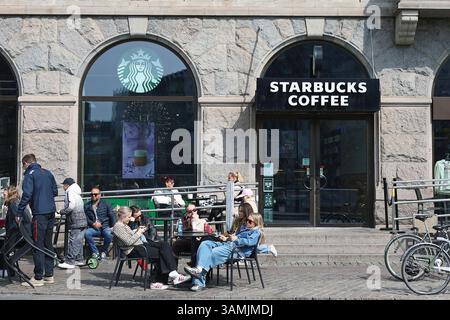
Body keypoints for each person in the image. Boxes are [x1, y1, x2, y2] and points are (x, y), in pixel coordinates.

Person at [112, 206, 191, 290]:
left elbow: (130, 237)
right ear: (123, 216)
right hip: (133, 250)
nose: (130, 219)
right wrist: (138, 232)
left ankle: (172, 275)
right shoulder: (118, 227)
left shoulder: (124, 225)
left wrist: (137, 230)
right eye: (128, 217)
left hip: (140, 245)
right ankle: (158, 280)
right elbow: (129, 242)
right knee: (162, 253)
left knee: (165, 245)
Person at [184, 212, 263, 291]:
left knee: (211, 253)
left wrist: (237, 239)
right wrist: (227, 238)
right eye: (247, 220)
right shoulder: (243, 228)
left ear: (256, 223)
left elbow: (249, 242)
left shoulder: (256, 232)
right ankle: (199, 269)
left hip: (236, 251)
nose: (247, 222)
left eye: (250, 221)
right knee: (205, 244)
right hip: (227, 244)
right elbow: (233, 237)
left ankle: (199, 282)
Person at [16, 154, 58, 287]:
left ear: (26, 163)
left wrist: (19, 212)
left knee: (37, 245)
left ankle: (38, 277)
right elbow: (55, 192)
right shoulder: (47, 173)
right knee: (48, 243)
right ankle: (49, 275)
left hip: (39, 213)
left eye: (23, 165)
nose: (23, 168)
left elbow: (27, 194)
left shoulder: (30, 174)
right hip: (51, 212)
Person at [57, 178, 88, 269]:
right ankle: (79, 260)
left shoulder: (69, 192)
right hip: (82, 220)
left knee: (73, 241)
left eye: (64, 185)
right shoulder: (77, 193)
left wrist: (63, 211)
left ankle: (70, 261)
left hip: (75, 220)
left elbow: (71, 205)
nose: (63, 187)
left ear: (67, 185)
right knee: (78, 240)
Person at [2, 185, 32, 277]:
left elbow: (17, 222)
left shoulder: (13, 204)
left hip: (18, 237)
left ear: (10, 192)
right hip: (21, 235)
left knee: (3, 247)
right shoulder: (15, 203)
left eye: (5, 192)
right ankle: (9, 272)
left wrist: (7, 234)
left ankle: (8, 272)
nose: (3, 194)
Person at [84, 186, 116, 260]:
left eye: (95, 194)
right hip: (94, 228)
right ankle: (95, 252)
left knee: (108, 234)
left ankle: (103, 251)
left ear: (100, 195)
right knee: (87, 233)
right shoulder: (87, 205)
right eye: (91, 194)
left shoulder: (106, 204)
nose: (93, 196)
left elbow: (112, 215)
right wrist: (93, 224)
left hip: (105, 227)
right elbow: (85, 218)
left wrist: (113, 226)